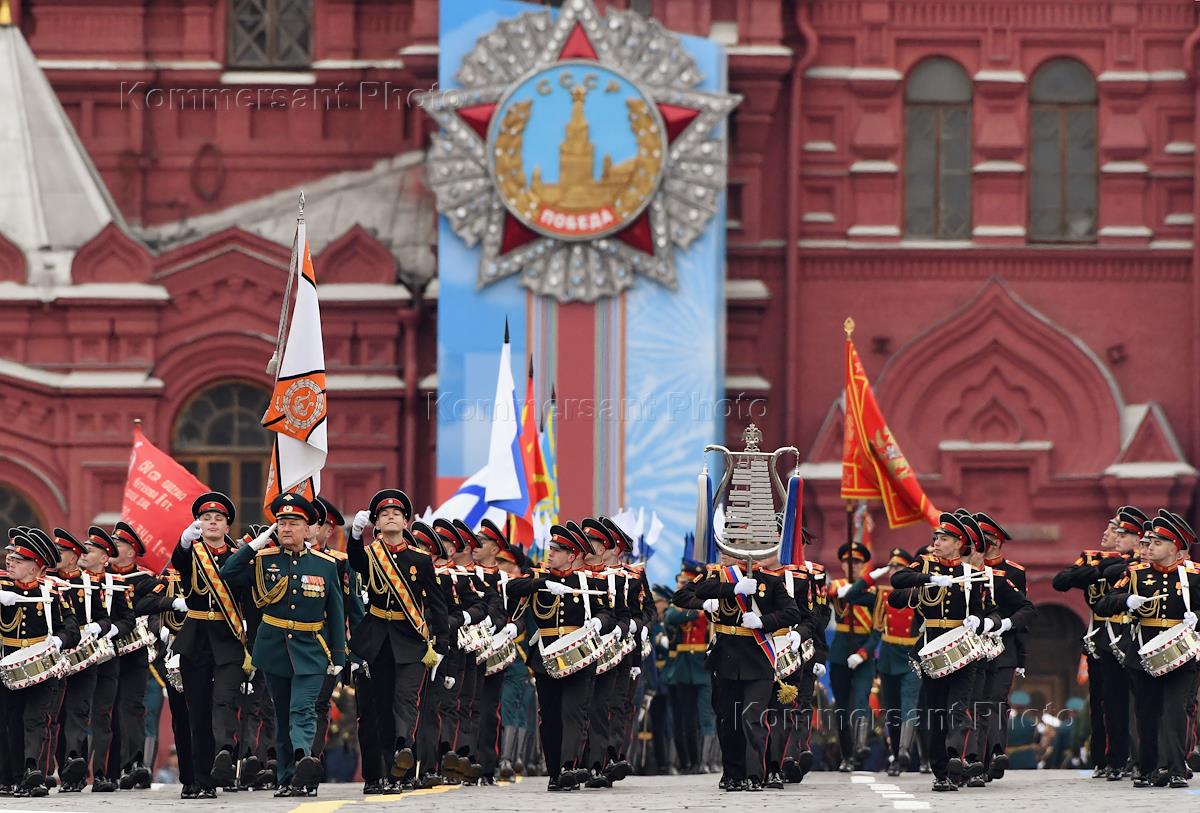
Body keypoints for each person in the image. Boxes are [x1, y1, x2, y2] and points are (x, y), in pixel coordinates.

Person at [221, 492, 346, 796]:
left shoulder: (325, 565)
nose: (286, 529)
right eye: (281, 523)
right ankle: (288, 777)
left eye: (293, 523)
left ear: (308, 528)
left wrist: (339, 656)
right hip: (274, 648)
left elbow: (335, 611)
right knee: (282, 713)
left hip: (311, 648)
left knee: (302, 708)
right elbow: (228, 573)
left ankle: (303, 758)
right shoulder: (264, 560)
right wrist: (254, 545)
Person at [346, 489, 449, 790]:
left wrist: (441, 645)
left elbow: (438, 604)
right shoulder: (370, 555)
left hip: (411, 638)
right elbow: (355, 562)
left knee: (406, 698)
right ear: (376, 523)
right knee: (381, 705)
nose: (390, 517)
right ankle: (389, 770)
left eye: (396, 514)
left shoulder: (420, 559)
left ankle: (403, 747)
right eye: (384, 514)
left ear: (406, 522)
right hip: (378, 639)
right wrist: (355, 535)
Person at [506, 523, 616, 791]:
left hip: (579, 657)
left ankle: (569, 767)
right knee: (550, 717)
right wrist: (542, 584)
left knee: (574, 714)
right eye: (551, 548)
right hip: (546, 658)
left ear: (571, 555)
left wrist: (598, 622)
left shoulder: (587, 581)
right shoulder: (538, 577)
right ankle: (555, 772)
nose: (551, 553)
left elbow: (608, 613)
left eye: (557, 550)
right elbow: (511, 587)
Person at [1095, 511, 1200, 788]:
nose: (1149, 547)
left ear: (1174, 548)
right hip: (1143, 653)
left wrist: (1197, 617)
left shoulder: (1193, 576)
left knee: (1177, 710)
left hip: (1181, 655)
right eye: (1149, 542)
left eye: (1157, 543)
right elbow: (1103, 604)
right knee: (1146, 712)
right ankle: (1148, 768)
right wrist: (1126, 600)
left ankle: (1176, 769)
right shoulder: (1135, 574)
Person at [889, 512, 990, 792]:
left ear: (959, 544)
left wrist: (978, 619)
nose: (936, 542)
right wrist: (929, 579)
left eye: (943, 539)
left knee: (958, 706)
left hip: (963, 648)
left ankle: (957, 758)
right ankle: (941, 772)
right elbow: (898, 579)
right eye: (936, 538)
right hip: (932, 646)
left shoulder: (970, 573)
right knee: (935, 711)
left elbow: (980, 609)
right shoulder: (925, 564)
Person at [692, 553, 804, 791]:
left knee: (753, 718)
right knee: (728, 720)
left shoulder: (771, 581)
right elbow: (699, 590)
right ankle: (733, 774)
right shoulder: (722, 577)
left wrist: (764, 622)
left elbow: (793, 612)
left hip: (758, 657)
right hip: (726, 656)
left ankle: (755, 775)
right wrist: (734, 588)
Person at [1052, 504, 1146, 779]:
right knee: (1104, 701)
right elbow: (1061, 581)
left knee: (1140, 701)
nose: (1108, 534)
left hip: (1134, 636)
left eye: (1116, 531)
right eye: (1112, 529)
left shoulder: (1142, 563)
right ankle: (1107, 758)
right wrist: (1100, 571)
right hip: (1102, 637)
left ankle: (1138, 757)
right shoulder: (1094, 559)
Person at [172, 491, 250, 798]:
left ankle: (224, 755)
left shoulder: (238, 556)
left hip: (229, 637)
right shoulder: (192, 552)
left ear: (228, 526)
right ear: (198, 524)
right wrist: (183, 542)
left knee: (224, 701)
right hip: (196, 638)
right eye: (206, 518)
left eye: (218, 519)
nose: (212, 523)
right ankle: (201, 780)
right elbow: (178, 562)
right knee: (198, 711)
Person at [0, 528, 81, 796]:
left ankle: (31, 771)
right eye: (11, 558)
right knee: (11, 721)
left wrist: (58, 640)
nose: (10, 562)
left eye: (18, 560)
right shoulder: (2, 588)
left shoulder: (52, 592)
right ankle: (13, 777)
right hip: (8, 666)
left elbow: (71, 629)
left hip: (43, 668)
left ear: (35, 567)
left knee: (36, 719)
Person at [47, 528, 113, 792]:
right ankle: (61, 767)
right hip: (54, 658)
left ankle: (74, 763)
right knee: (56, 715)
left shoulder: (90, 584)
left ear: (73, 557)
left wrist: (97, 627)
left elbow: (105, 618)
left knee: (78, 711)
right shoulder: (47, 581)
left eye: (60, 552)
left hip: (83, 658)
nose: (55, 555)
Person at [846, 547, 920, 777]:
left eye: (899, 567)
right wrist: (873, 575)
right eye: (892, 567)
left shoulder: (919, 594)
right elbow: (851, 596)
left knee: (909, 703)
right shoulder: (882, 594)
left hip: (911, 655)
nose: (894, 570)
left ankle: (905, 751)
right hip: (888, 657)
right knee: (892, 709)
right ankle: (896, 755)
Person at [827, 540, 878, 770]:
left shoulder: (873, 591)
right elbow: (826, 593)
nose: (852, 566)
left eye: (857, 562)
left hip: (863, 650)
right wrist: (840, 591)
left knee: (861, 699)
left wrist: (864, 652)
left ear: (863, 565)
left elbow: (878, 628)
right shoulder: (836, 586)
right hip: (840, 652)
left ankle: (860, 747)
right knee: (842, 706)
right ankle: (846, 755)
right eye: (848, 562)